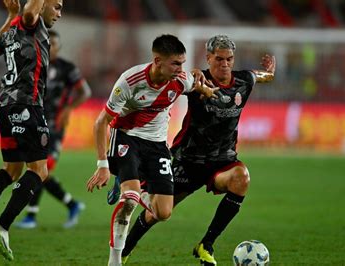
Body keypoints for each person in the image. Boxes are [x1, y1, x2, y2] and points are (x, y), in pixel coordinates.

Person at [116, 35, 276, 265]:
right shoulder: (196, 81)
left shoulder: (244, 81)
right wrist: (191, 72)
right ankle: (124, 251)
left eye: (229, 59)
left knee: (242, 178)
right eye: (219, 59)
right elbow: (174, 80)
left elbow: (263, 76)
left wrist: (270, 71)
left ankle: (206, 245)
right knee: (157, 213)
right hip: (188, 160)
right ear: (208, 58)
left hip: (223, 160)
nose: (225, 64)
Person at [86, 34, 217, 266]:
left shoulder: (181, 80)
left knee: (163, 212)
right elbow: (101, 122)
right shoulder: (130, 81)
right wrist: (103, 165)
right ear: (157, 61)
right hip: (127, 137)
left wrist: (205, 89)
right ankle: (115, 260)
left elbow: (196, 85)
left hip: (157, 145)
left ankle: (132, 187)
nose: (181, 69)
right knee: (130, 201)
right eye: (175, 63)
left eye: (183, 63)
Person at [0, 0, 62, 261]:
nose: (59, 14)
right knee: (39, 170)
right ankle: (3, 225)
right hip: (27, 105)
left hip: (5, 106)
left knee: (12, 169)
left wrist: (11, 14)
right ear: (42, 6)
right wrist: (27, 10)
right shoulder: (32, 21)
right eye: (57, 6)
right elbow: (30, 12)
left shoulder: (14, 27)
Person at [15, 29, 90, 229]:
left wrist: (68, 108)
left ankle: (31, 216)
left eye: (54, 45)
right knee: (37, 169)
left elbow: (85, 92)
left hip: (55, 125)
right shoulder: (34, 65)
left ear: (59, 47)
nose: (50, 48)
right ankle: (72, 205)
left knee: (41, 168)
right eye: (47, 44)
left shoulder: (67, 68)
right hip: (35, 123)